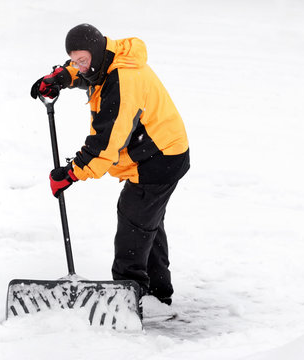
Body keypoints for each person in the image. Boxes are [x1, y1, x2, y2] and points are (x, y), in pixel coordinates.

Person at [30, 24, 190, 306]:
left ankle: (129, 296)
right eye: (75, 60)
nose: (80, 67)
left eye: (83, 60)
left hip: (159, 159)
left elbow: (106, 143)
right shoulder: (109, 59)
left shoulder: (124, 81)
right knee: (147, 222)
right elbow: (90, 74)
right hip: (159, 152)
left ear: (96, 52)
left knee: (133, 221)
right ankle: (156, 293)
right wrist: (62, 76)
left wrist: (71, 173)